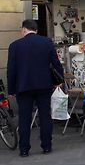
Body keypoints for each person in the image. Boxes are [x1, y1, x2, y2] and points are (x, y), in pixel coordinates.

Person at [7, 19, 64, 157]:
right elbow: (56, 63)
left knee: (24, 117)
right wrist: (59, 80)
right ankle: (46, 146)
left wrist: (12, 89)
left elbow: (11, 70)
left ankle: (24, 149)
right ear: (36, 30)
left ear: (24, 29)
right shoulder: (46, 42)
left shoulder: (15, 45)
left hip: (23, 86)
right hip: (44, 85)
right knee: (45, 115)